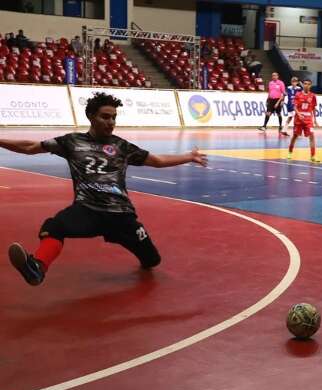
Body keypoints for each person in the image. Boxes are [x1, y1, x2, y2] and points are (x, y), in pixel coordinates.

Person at [0, 93, 207, 286]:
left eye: (114, 118)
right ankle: (37, 267)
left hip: (121, 215)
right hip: (87, 209)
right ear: (91, 116)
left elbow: (158, 160)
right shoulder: (71, 142)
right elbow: (29, 147)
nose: (111, 122)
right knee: (54, 226)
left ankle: (145, 255)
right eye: (105, 117)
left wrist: (189, 156)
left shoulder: (122, 147)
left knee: (152, 260)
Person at [287, 78, 319, 162]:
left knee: (312, 136)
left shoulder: (313, 96)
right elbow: (295, 106)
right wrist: (298, 114)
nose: (306, 85)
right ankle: (290, 152)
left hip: (308, 120)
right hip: (298, 119)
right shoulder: (298, 94)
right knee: (295, 136)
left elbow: (314, 108)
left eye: (308, 84)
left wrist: (315, 120)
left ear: (310, 85)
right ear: (303, 85)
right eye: (305, 83)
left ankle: (313, 156)